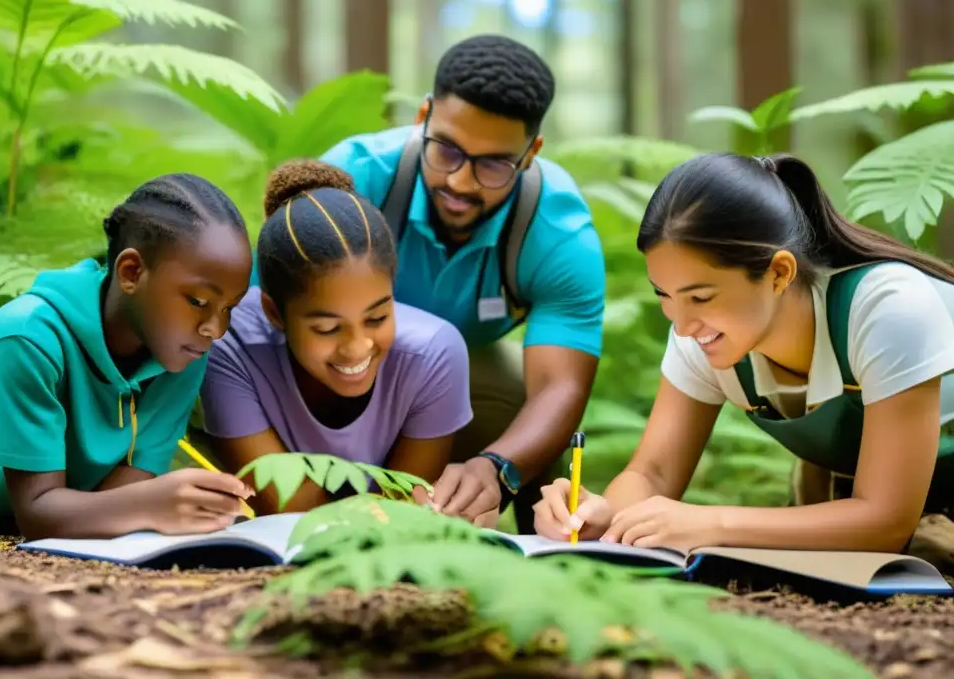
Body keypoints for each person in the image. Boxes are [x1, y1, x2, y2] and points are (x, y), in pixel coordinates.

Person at [533, 152, 954, 570]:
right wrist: (599, 517)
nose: (681, 327)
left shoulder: (887, 309)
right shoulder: (702, 335)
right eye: (664, 295)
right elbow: (654, 473)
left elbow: (884, 523)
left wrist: (710, 522)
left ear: (778, 273)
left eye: (700, 297)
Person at [308, 34, 606, 530]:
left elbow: (558, 388)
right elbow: (266, 320)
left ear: (530, 153)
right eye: (446, 150)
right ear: (422, 118)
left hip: (464, 372)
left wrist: (497, 469)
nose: (461, 182)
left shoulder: (557, 234)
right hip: (332, 357)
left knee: (517, 404)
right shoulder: (352, 180)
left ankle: (541, 545)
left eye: (493, 164)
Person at [0, 174, 256, 540]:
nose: (216, 328)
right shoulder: (24, 339)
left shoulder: (181, 356)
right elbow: (38, 516)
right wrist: (152, 503)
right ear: (131, 273)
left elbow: (115, 498)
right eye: (198, 301)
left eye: (229, 307)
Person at [195, 159, 474, 516]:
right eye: (327, 328)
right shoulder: (230, 345)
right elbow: (286, 508)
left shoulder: (434, 354)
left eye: (377, 317)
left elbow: (405, 511)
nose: (357, 347)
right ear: (274, 313)